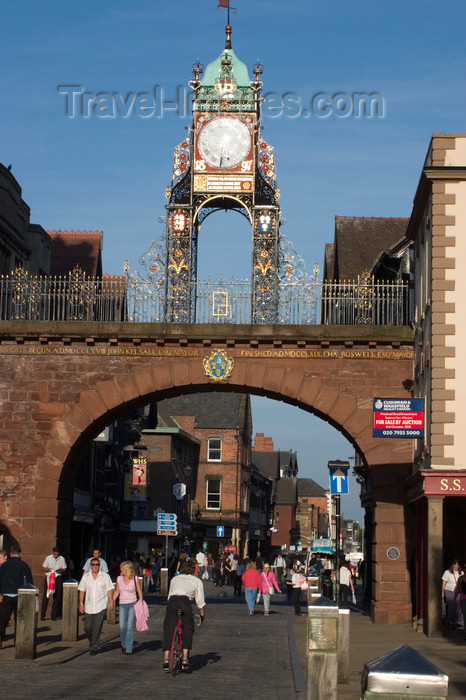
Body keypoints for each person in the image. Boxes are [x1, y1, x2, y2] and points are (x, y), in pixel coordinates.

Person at [162, 558, 205, 673]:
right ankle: (185, 658)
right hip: (185, 602)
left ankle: (166, 657)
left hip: (172, 601)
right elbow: (200, 601)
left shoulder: (175, 579)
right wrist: (202, 615)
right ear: (193, 570)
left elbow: (169, 595)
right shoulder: (196, 581)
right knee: (188, 628)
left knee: (168, 628)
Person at [78, 557, 114, 655]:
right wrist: (81, 604)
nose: (95, 566)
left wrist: (111, 601)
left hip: (101, 605)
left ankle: (93, 647)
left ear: (99, 565)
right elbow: (82, 590)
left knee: (97, 627)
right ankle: (92, 641)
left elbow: (109, 590)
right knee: (87, 627)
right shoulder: (86, 577)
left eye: (97, 565)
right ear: (90, 566)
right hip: (89, 605)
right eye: (93, 564)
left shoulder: (105, 576)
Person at [0, 545, 33, 648]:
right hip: (20, 595)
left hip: (6, 595)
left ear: (10, 554)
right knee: (19, 619)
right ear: (20, 554)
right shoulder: (24, 565)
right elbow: (29, 582)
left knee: (3, 619)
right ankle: (18, 641)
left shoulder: (4, 565)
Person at [113, 560, 143, 655]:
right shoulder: (119, 579)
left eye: (122, 568)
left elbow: (139, 591)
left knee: (129, 627)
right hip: (122, 604)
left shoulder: (135, 579)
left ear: (126, 569)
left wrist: (141, 602)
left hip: (132, 604)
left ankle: (129, 648)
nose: (120, 569)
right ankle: (123, 643)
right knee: (122, 627)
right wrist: (111, 601)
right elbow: (117, 591)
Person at [40, 546, 67, 621]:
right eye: (54, 554)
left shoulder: (62, 559)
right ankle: (43, 615)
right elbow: (43, 567)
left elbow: (65, 569)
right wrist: (48, 569)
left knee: (57, 596)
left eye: (57, 554)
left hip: (58, 577)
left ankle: (53, 615)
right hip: (49, 577)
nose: (56, 556)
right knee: (46, 595)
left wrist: (61, 569)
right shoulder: (48, 558)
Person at [442, 559, 463, 628]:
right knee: (451, 605)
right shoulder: (447, 572)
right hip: (449, 590)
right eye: (455, 564)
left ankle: (456, 621)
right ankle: (451, 621)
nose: (456, 566)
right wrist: (442, 593)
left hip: (458, 591)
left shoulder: (461, 572)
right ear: (452, 565)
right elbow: (444, 583)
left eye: (457, 565)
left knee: (458, 606)